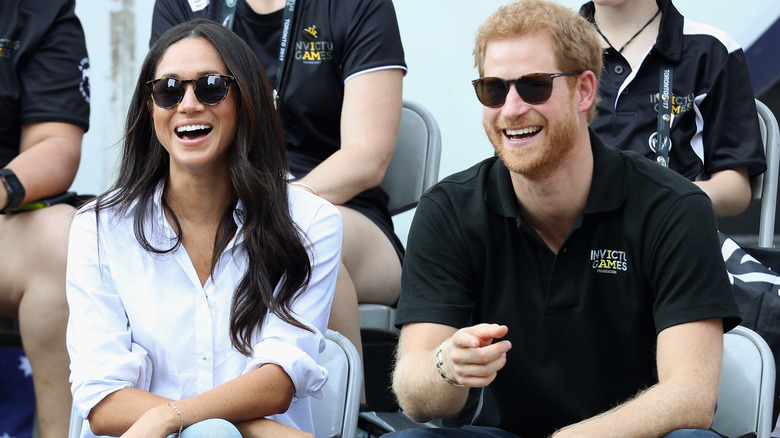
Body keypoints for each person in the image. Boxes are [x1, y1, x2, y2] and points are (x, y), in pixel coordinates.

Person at [388, 1, 741, 437]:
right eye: (494, 90)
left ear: (585, 91)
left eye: (535, 86)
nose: (512, 109)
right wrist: (446, 366)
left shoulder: (673, 208)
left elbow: (691, 395)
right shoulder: (449, 210)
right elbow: (415, 397)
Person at [66, 19, 341, 438]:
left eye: (212, 86)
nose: (188, 104)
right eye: (168, 90)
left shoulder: (310, 223)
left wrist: (167, 417)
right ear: (149, 107)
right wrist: (250, 426)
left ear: (246, 99)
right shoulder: (98, 228)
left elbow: (279, 378)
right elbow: (102, 401)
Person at [150, 0, 406, 393]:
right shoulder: (183, 4)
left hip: (339, 206)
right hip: (214, 201)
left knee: (300, 237)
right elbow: (165, 114)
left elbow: (367, 157)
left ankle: (345, 420)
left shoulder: (357, 5)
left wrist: (268, 205)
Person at [579, 0, 765, 217]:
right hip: (573, 237)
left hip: (671, 234)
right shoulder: (553, 50)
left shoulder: (711, 49)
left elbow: (737, 188)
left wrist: (668, 199)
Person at [0, 0, 90, 436]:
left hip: (3, 215)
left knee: (63, 237)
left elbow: (55, 142)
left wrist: (2, 188)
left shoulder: (41, 11)